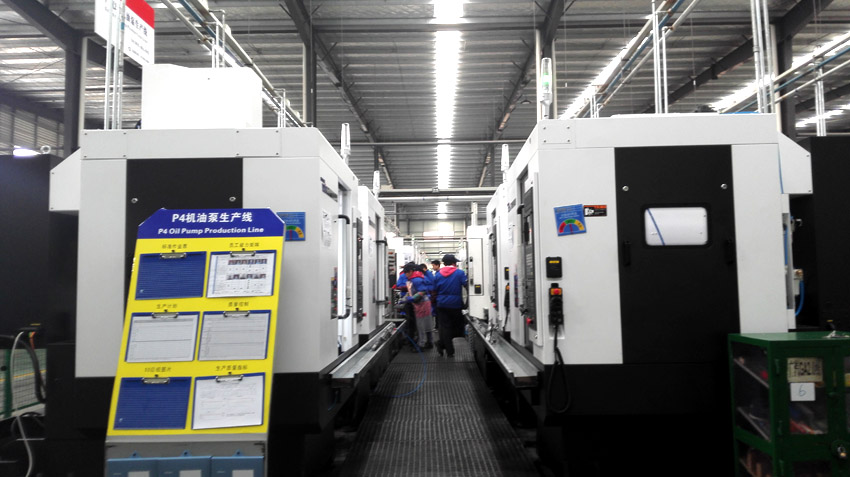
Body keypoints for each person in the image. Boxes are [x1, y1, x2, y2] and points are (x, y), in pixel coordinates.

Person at [433, 254, 468, 358]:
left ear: (444, 263)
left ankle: (444, 346)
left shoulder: (438, 274)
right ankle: (447, 349)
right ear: (454, 263)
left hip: (442, 304)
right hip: (455, 304)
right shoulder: (459, 273)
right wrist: (467, 303)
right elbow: (467, 286)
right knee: (458, 327)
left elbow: (434, 290)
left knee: (445, 327)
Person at [401, 262, 434, 350]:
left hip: (421, 304)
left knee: (421, 325)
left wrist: (411, 298)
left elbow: (422, 291)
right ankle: (429, 342)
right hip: (424, 303)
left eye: (406, 273)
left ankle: (421, 344)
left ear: (410, 271)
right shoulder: (417, 277)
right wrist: (407, 297)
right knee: (427, 324)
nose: (405, 275)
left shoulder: (416, 279)